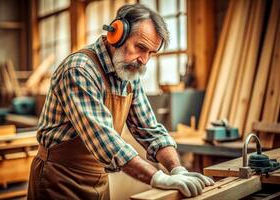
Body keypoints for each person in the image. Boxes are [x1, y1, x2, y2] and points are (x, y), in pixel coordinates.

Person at [28, 3, 214, 200]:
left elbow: (150, 129)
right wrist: (157, 177)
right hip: (58, 179)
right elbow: (104, 139)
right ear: (116, 35)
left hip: (98, 179)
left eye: (151, 53)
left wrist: (177, 170)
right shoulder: (79, 70)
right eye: (140, 47)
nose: (144, 60)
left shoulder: (129, 74)